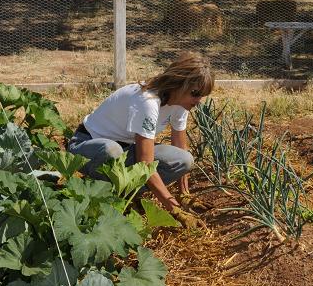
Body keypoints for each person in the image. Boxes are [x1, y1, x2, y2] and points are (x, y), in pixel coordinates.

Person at [67, 51, 214, 220]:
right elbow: (145, 163)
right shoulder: (148, 101)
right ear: (178, 84)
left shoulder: (181, 103)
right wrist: (175, 209)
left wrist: (184, 194)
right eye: (195, 93)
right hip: (86, 146)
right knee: (111, 151)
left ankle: (126, 193)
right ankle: (111, 196)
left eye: (202, 95)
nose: (198, 100)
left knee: (184, 160)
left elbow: (180, 146)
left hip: (127, 150)